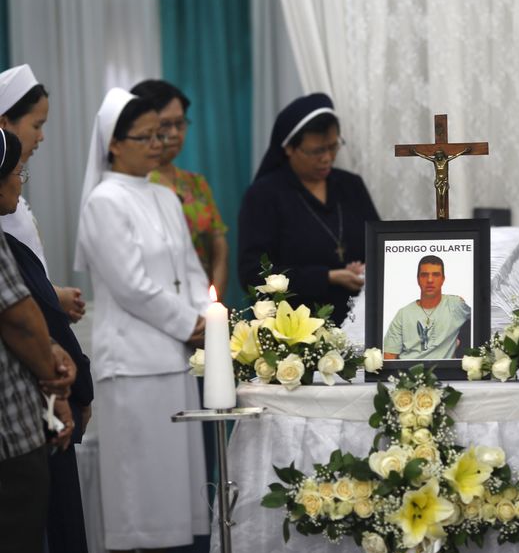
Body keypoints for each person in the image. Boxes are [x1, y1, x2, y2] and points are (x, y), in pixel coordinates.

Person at [74, 88, 210, 553]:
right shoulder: (104, 201)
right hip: (132, 364)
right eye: (146, 136)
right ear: (114, 143)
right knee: (133, 494)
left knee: (167, 497)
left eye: (162, 134)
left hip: (174, 357)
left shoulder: (163, 195)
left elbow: (192, 270)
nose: (159, 143)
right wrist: (191, 324)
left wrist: (205, 319)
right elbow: (132, 285)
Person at [0, 128, 76, 553]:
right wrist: (54, 373)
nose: (20, 181)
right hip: (7, 438)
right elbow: (16, 317)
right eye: (16, 172)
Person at [239, 93, 379, 325]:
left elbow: (376, 246)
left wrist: (363, 267)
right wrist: (327, 277)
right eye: (316, 151)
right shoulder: (264, 196)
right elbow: (252, 274)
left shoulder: (351, 186)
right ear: (289, 149)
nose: (327, 158)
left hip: (360, 321)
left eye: (333, 147)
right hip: (294, 330)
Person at [0, 64, 85, 323]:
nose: (41, 137)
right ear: (4, 123)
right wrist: (55, 296)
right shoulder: (3, 199)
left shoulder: (15, 194)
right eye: (37, 125)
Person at [130, 79, 229, 297]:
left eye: (180, 123)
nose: (175, 133)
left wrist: (213, 302)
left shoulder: (196, 183)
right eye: (166, 125)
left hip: (204, 303)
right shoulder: (134, 186)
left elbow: (218, 247)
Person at [384, 255, 471, 359]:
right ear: (418, 279)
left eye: (436, 275)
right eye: (424, 275)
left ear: (443, 279)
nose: (430, 280)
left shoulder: (455, 305)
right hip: (409, 371)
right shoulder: (403, 314)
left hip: (444, 372)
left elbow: (480, 318)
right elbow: (389, 355)